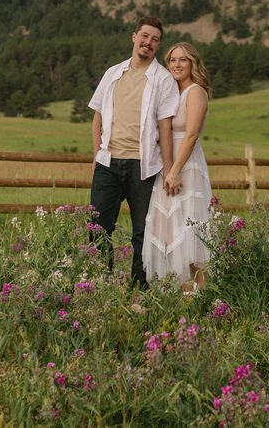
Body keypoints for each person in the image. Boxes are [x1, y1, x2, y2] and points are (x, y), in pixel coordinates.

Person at [88, 16, 179, 287]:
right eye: (145, 36)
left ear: (158, 46)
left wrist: (169, 169)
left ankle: (141, 288)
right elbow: (98, 118)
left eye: (155, 40)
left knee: (143, 232)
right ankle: (98, 284)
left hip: (144, 166)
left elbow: (165, 129)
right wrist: (97, 154)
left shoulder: (162, 79)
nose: (148, 42)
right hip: (108, 163)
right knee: (98, 228)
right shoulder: (113, 73)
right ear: (134, 36)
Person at [142, 41, 213, 292]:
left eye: (182, 60)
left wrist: (174, 171)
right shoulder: (172, 92)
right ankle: (183, 295)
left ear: (193, 63)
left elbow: (191, 134)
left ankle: (201, 298)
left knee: (191, 235)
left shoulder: (195, 91)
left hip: (186, 167)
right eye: (172, 60)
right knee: (169, 233)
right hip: (168, 166)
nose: (176, 64)